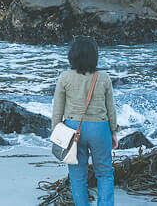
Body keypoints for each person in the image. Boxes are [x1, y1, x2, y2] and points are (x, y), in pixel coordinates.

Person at [51, 36, 118, 206]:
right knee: (104, 173)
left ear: (72, 56)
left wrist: (56, 133)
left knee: (77, 175)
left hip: (73, 129)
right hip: (100, 128)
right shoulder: (103, 78)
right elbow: (111, 108)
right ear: (94, 56)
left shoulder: (65, 77)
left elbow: (57, 109)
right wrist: (114, 132)